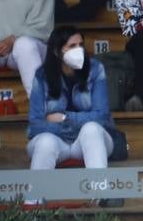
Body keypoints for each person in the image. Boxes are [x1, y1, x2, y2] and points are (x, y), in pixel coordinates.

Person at [26, 27, 116, 171]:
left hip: (88, 141)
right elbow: (35, 125)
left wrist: (65, 119)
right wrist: (68, 129)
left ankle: (100, 192)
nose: (79, 50)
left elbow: (102, 116)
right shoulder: (42, 75)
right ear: (56, 51)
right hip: (56, 142)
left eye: (81, 45)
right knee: (45, 142)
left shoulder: (96, 69)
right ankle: (38, 193)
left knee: (91, 129)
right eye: (72, 46)